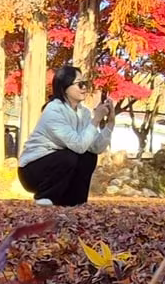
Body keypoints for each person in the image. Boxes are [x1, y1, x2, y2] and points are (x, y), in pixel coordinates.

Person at [17, 65, 116, 207]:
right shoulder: (53, 110)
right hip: (32, 170)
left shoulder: (84, 113)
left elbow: (96, 148)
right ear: (65, 87)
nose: (84, 88)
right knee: (70, 155)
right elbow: (78, 145)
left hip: (58, 163)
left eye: (85, 83)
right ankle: (44, 197)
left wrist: (110, 123)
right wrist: (96, 120)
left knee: (89, 156)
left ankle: (74, 201)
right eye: (79, 84)